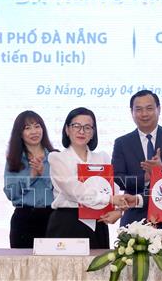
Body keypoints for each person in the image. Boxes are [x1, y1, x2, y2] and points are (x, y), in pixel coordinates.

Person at [46, 107, 136, 249]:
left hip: (98, 223)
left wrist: (118, 211)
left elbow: (114, 190)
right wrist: (110, 199)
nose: (82, 131)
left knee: (98, 264)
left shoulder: (102, 157)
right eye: (76, 126)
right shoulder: (57, 158)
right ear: (67, 129)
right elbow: (74, 191)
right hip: (68, 223)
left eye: (87, 127)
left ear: (93, 133)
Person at [112, 90, 162, 227]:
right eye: (138, 109)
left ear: (159, 109)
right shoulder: (122, 143)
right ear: (132, 112)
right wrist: (145, 178)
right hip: (134, 217)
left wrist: (160, 171)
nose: (144, 114)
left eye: (149, 108)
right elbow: (117, 178)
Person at [4, 110, 57, 248]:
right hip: (24, 219)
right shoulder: (14, 160)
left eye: (37, 126)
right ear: (20, 133)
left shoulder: (55, 157)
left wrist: (43, 173)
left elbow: (64, 189)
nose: (34, 131)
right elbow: (11, 193)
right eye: (27, 128)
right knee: (23, 261)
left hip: (53, 217)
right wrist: (32, 176)